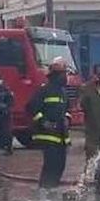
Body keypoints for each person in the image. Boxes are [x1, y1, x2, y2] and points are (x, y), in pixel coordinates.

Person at [28, 58, 71, 189]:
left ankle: (52, 191)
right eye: (63, 74)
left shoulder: (63, 92)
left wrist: (67, 119)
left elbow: (67, 110)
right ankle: (44, 192)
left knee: (60, 165)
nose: (65, 76)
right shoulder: (44, 90)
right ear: (55, 75)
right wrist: (43, 121)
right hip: (47, 135)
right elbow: (31, 108)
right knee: (51, 165)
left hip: (61, 136)